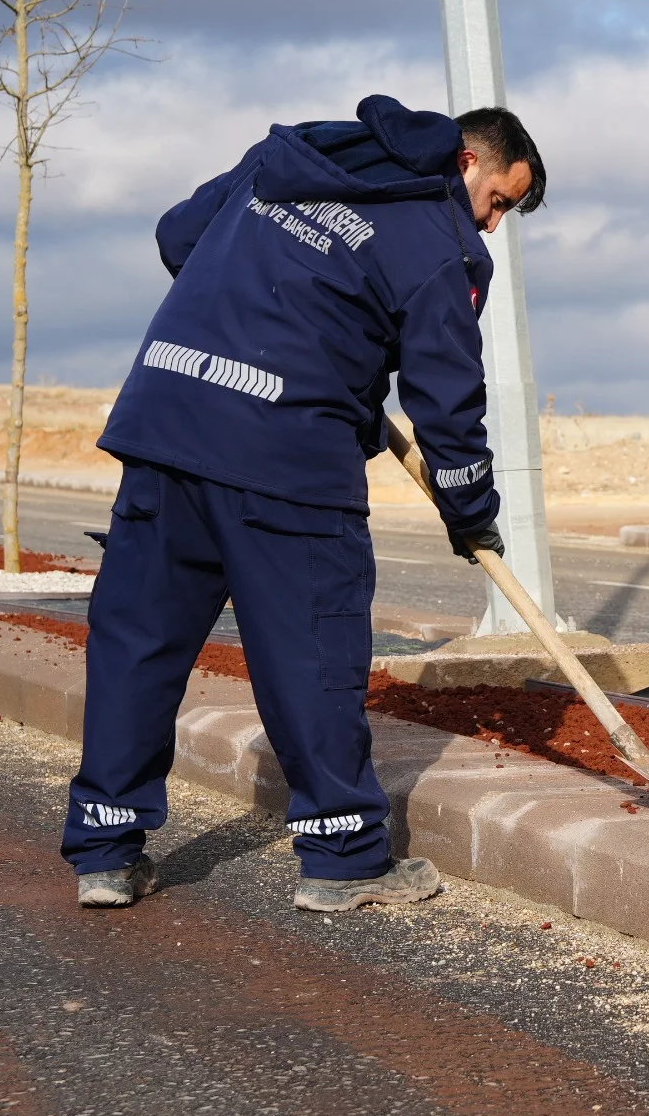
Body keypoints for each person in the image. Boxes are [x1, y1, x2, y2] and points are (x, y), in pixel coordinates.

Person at [62, 94, 543, 913]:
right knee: (312, 654)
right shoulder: (442, 244)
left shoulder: (290, 159)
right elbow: (448, 401)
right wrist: (471, 512)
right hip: (286, 456)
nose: (493, 225)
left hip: (167, 421)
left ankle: (106, 851)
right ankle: (346, 860)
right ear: (468, 162)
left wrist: (289, 314)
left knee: (137, 643)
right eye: (500, 200)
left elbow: (178, 237)